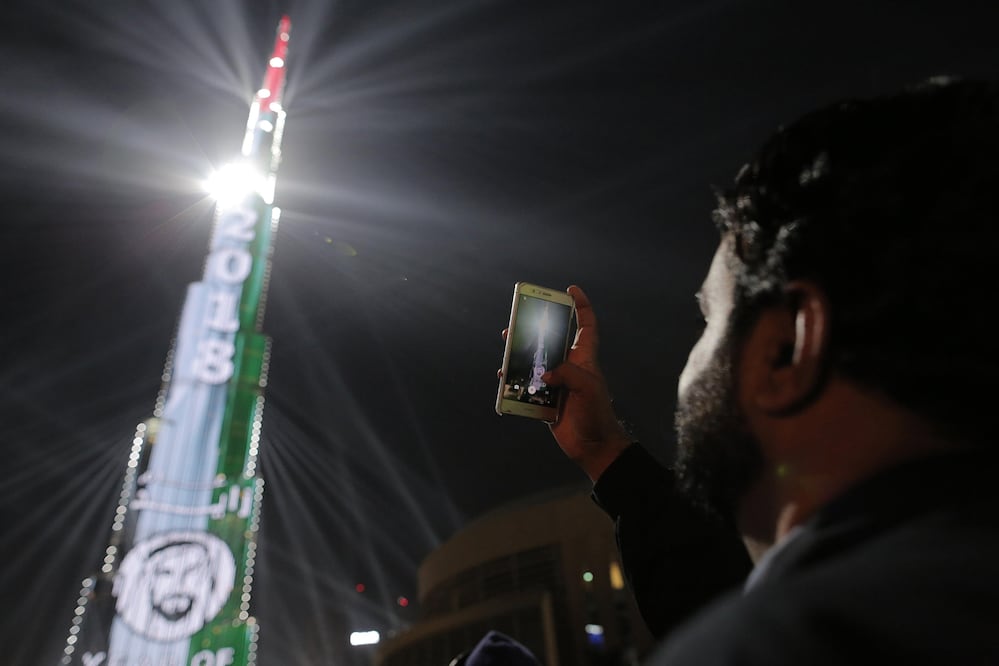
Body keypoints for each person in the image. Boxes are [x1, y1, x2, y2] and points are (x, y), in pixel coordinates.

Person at [539, 78, 999, 663]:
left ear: (785, 349)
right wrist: (606, 454)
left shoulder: (780, 644)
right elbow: (719, 588)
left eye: (711, 320)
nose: (693, 358)